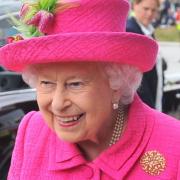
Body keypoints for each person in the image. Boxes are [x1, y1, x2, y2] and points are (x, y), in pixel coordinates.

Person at [0, 0, 180, 179]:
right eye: (46, 83)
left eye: (75, 84)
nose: (57, 104)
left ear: (118, 83)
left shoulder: (174, 145)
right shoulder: (32, 130)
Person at [126, 0, 167, 111]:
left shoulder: (147, 30)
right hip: (145, 100)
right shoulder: (131, 31)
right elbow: (137, 76)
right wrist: (150, 109)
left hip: (154, 93)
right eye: (146, 9)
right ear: (135, 6)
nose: (149, 14)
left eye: (153, 10)